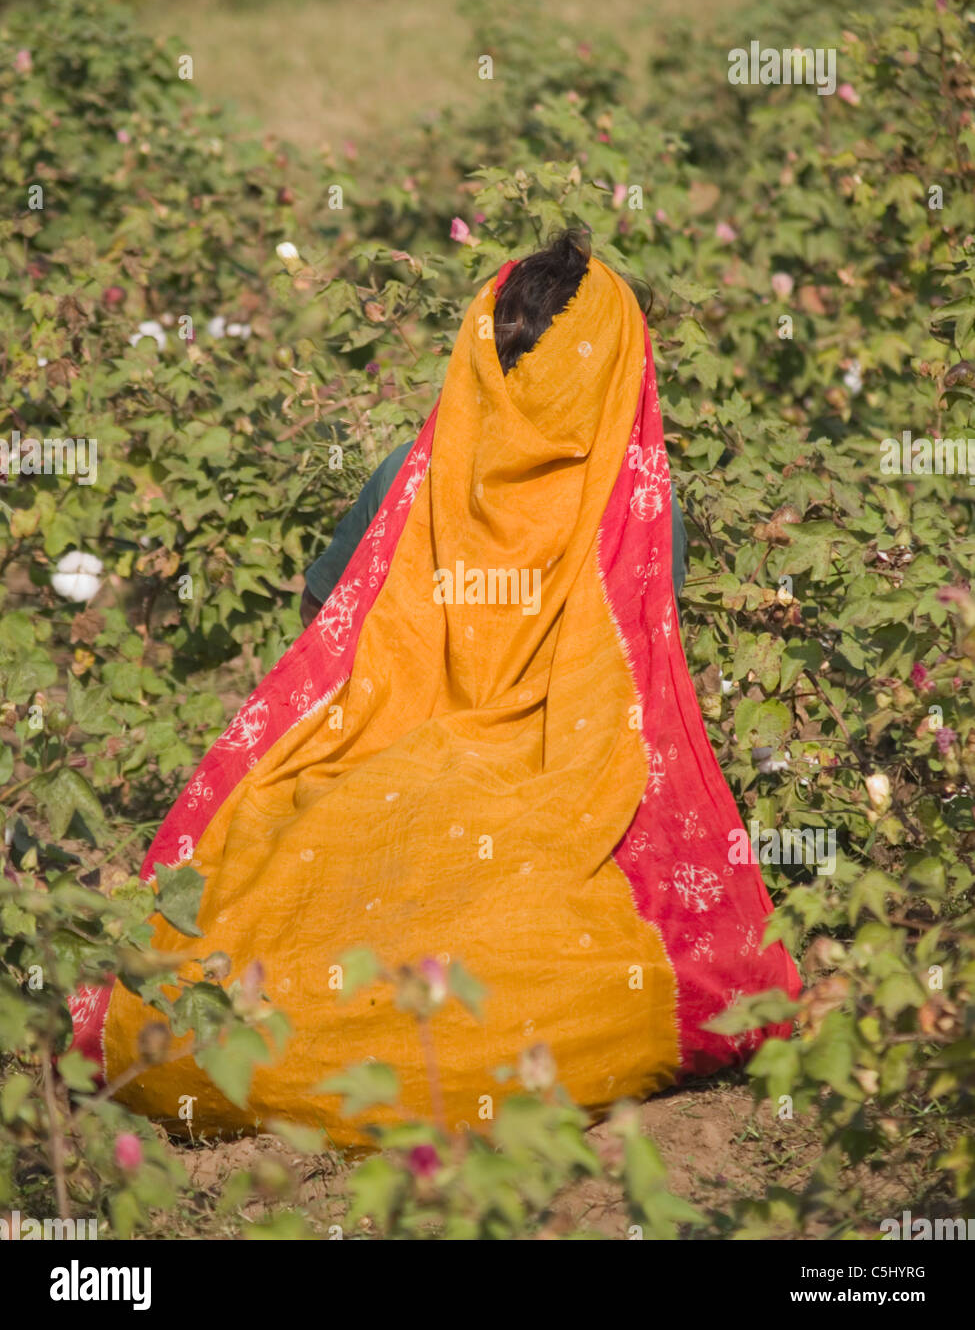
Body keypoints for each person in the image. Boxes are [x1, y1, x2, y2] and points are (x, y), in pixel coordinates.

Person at [70, 231, 800, 1147]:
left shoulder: (409, 474)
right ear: (611, 364)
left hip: (366, 770)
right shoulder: (639, 510)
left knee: (269, 904)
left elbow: (324, 623)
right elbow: (640, 690)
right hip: (548, 791)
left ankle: (252, 1052)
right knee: (556, 965)